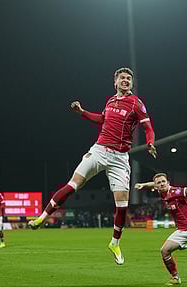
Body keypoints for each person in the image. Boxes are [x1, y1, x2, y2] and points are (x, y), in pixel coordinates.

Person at [28, 67, 157, 265]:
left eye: (129, 78)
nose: (125, 80)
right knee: (73, 185)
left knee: (122, 205)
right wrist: (82, 112)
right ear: (115, 82)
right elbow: (102, 119)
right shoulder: (111, 101)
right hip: (98, 151)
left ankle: (115, 243)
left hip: (120, 159)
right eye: (122, 78)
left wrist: (150, 143)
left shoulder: (136, 104)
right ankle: (42, 217)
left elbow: (148, 127)